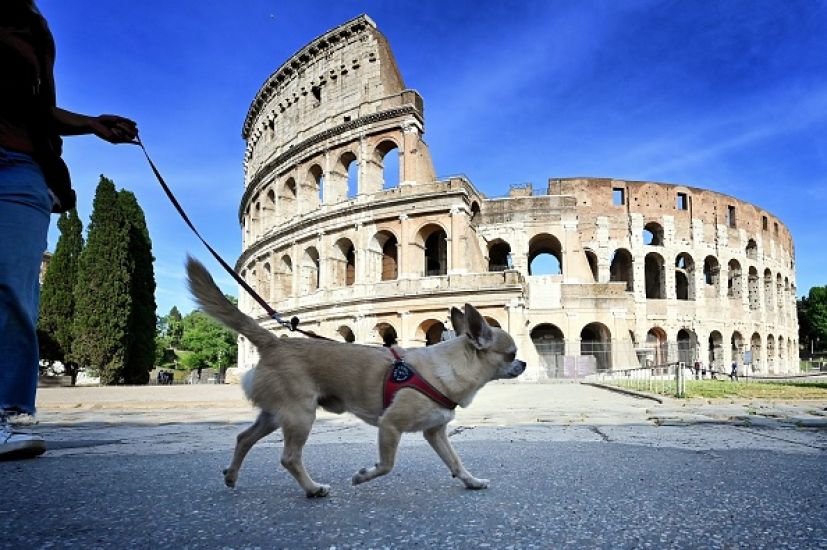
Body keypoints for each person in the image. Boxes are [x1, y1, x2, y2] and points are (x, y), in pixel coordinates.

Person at [1, 0, 138, 459]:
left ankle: (11, 414)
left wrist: (92, 124)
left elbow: (35, 108)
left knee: (13, 289)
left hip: (17, 165)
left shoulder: (31, 32)